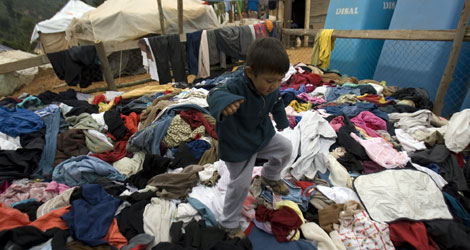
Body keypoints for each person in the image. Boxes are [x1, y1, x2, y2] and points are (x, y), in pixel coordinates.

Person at [207, 37, 292, 239]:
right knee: (241, 183)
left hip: (260, 135)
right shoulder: (235, 85)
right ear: (250, 72)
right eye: (270, 81)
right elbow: (214, 94)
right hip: (237, 144)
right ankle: (227, 223)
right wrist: (225, 103)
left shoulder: (272, 86)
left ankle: (270, 175)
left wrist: (281, 121)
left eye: (279, 80)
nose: (274, 85)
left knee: (285, 148)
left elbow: (277, 100)